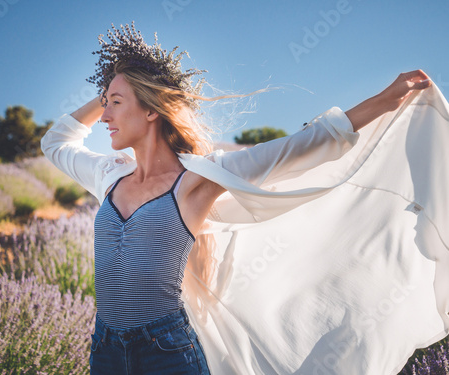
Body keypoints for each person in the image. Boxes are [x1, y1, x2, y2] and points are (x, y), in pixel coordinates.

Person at [41, 22, 438, 375]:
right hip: (105, 350)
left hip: (167, 351)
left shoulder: (197, 180)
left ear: (150, 111)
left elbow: (298, 147)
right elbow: (55, 141)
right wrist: (113, 82)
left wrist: (385, 99)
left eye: (115, 103)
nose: (105, 116)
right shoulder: (107, 176)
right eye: (104, 103)